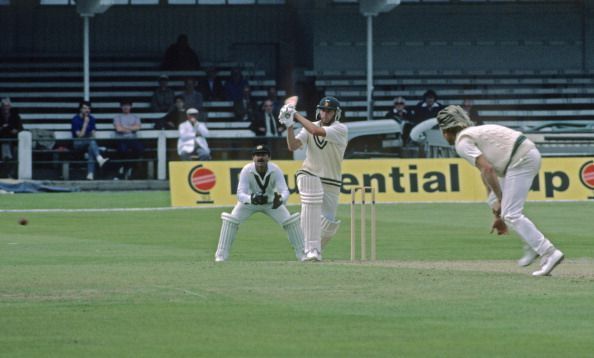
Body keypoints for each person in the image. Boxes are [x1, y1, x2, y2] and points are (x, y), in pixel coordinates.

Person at [436, 105, 564, 277]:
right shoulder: (474, 133)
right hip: (520, 157)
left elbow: (487, 169)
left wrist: (501, 199)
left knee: (511, 213)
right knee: (494, 201)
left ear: (445, 132)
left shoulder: (462, 142)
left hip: (520, 160)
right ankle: (532, 244)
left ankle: (548, 253)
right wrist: (497, 212)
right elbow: (485, 172)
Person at [280, 96, 348, 262]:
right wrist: (289, 127)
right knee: (310, 202)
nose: (325, 114)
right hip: (309, 173)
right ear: (319, 111)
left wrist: (295, 115)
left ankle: (308, 247)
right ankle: (312, 249)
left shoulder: (340, 129)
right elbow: (293, 146)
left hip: (331, 180)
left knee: (328, 224)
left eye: (329, 111)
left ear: (336, 113)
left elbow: (316, 132)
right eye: (323, 110)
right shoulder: (309, 126)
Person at [214, 145, 305, 262]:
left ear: (269, 157)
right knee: (230, 221)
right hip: (250, 203)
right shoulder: (247, 170)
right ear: (253, 157)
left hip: (271, 203)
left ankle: (302, 253)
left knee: (290, 221)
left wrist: (280, 199)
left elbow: (285, 191)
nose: (260, 158)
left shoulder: (275, 169)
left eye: (263, 155)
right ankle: (221, 255)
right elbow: (240, 193)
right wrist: (251, 199)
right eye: (258, 155)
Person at [71, 100, 109, 180]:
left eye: (88, 108)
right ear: (80, 109)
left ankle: (90, 174)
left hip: (89, 143)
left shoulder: (92, 118)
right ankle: (99, 156)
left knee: (91, 148)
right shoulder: (75, 119)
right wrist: (85, 123)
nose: (87, 110)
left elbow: (93, 135)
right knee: (91, 142)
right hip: (78, 143)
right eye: (85, 108)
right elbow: (79, 136)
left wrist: (92, 132)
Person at [113, 100, 144, 180]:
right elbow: (119, 129)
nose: (126, 107)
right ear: (121, 107)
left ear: (131, 106)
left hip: (132, 139)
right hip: (121, 139)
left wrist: (125, 127)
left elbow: (137, 127)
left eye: (127, 105)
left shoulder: (135, 117)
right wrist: (131, 127)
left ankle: (130, 167)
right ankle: (125, 168)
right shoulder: (117, 117)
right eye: (124, 105)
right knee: (123, 150)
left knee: (140, 148)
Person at [0, 97, 23, 178]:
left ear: (10, 106)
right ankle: (5, 174)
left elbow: (21, 129)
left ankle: (11, 174)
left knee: (16, 153)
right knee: (6, 150)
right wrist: (3, 127)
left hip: (14, 141)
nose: (6, 108)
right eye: (4, 106)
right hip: (2, 140)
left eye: (7, 106)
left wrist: (15, 130)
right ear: (1, 106)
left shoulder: (15, 116)